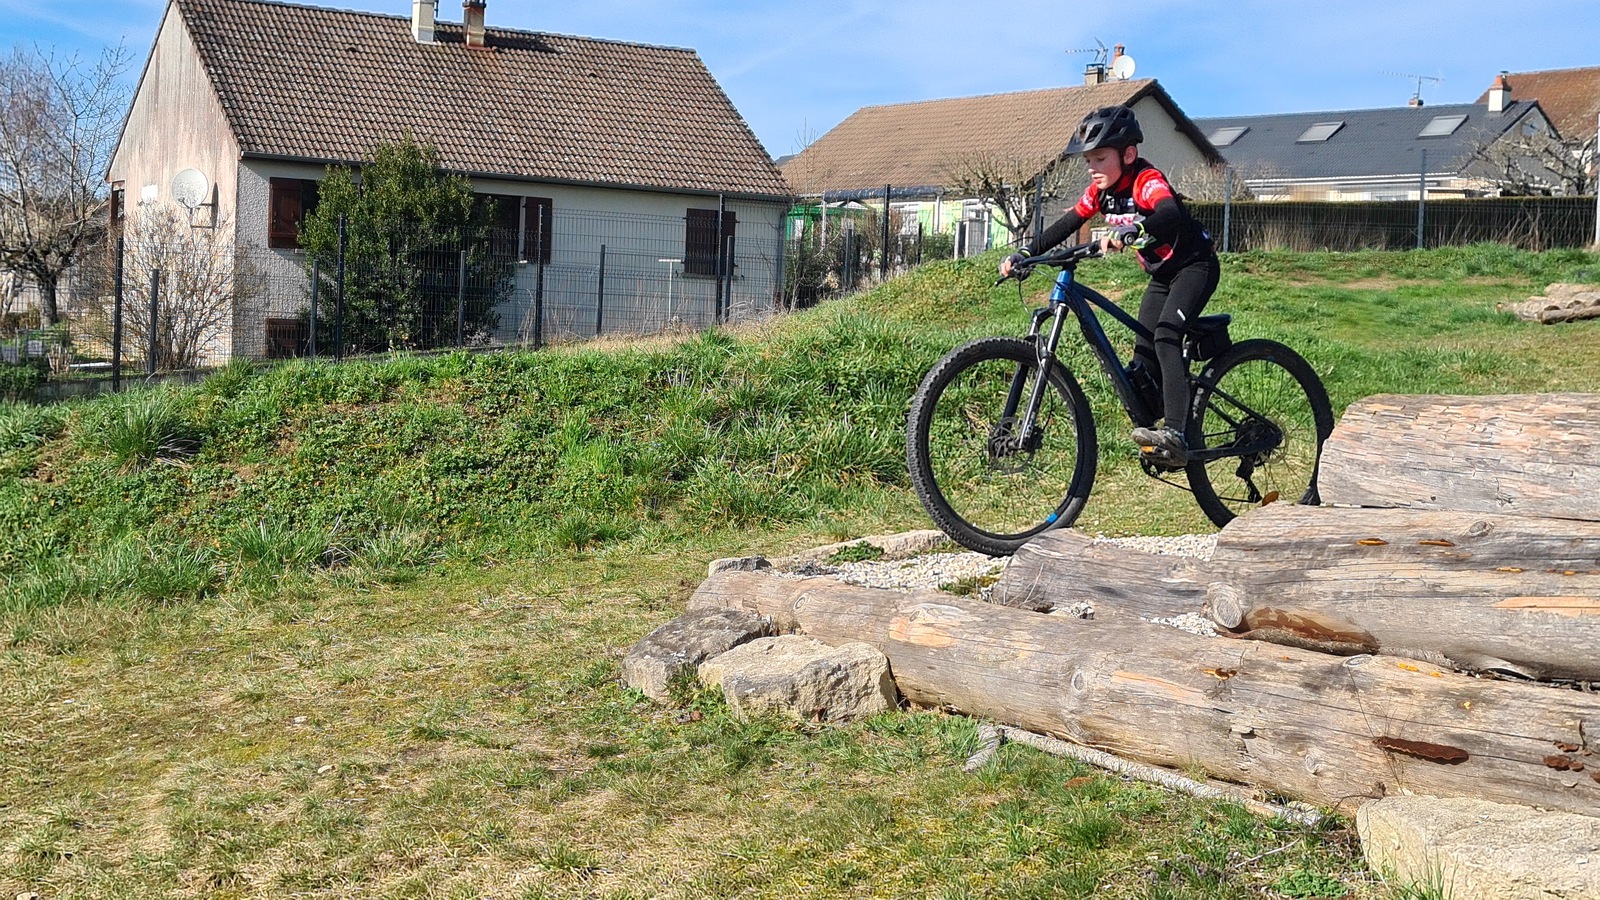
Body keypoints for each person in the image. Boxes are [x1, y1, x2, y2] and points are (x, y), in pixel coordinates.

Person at [1000, 105, 1218, 465]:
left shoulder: (1145, 180)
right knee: (1144, 352)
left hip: (1195, 266)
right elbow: (1068, 223)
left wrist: (1135, 228)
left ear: (1128, 154)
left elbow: (1168, 212)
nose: (1092, 167)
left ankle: (1176, 434)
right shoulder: (1100, 193)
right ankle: (1156, 433)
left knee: (1166, 336)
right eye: (1089, 160)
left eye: (1100, 158)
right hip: (1162, 275)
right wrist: (1026, 252)